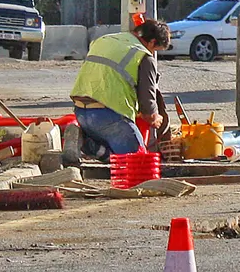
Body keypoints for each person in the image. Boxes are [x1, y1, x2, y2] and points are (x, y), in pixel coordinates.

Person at [63, 19, 171, 165]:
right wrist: (155, 118)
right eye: (155, 49)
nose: (152, 53)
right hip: (110, 117)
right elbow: (148, 106)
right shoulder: (143, 56)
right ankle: (94, 148)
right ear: (152, 42)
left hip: (82, 112)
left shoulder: (103, 40)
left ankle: (90, 146)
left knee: (115, 154)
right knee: (138, 161)